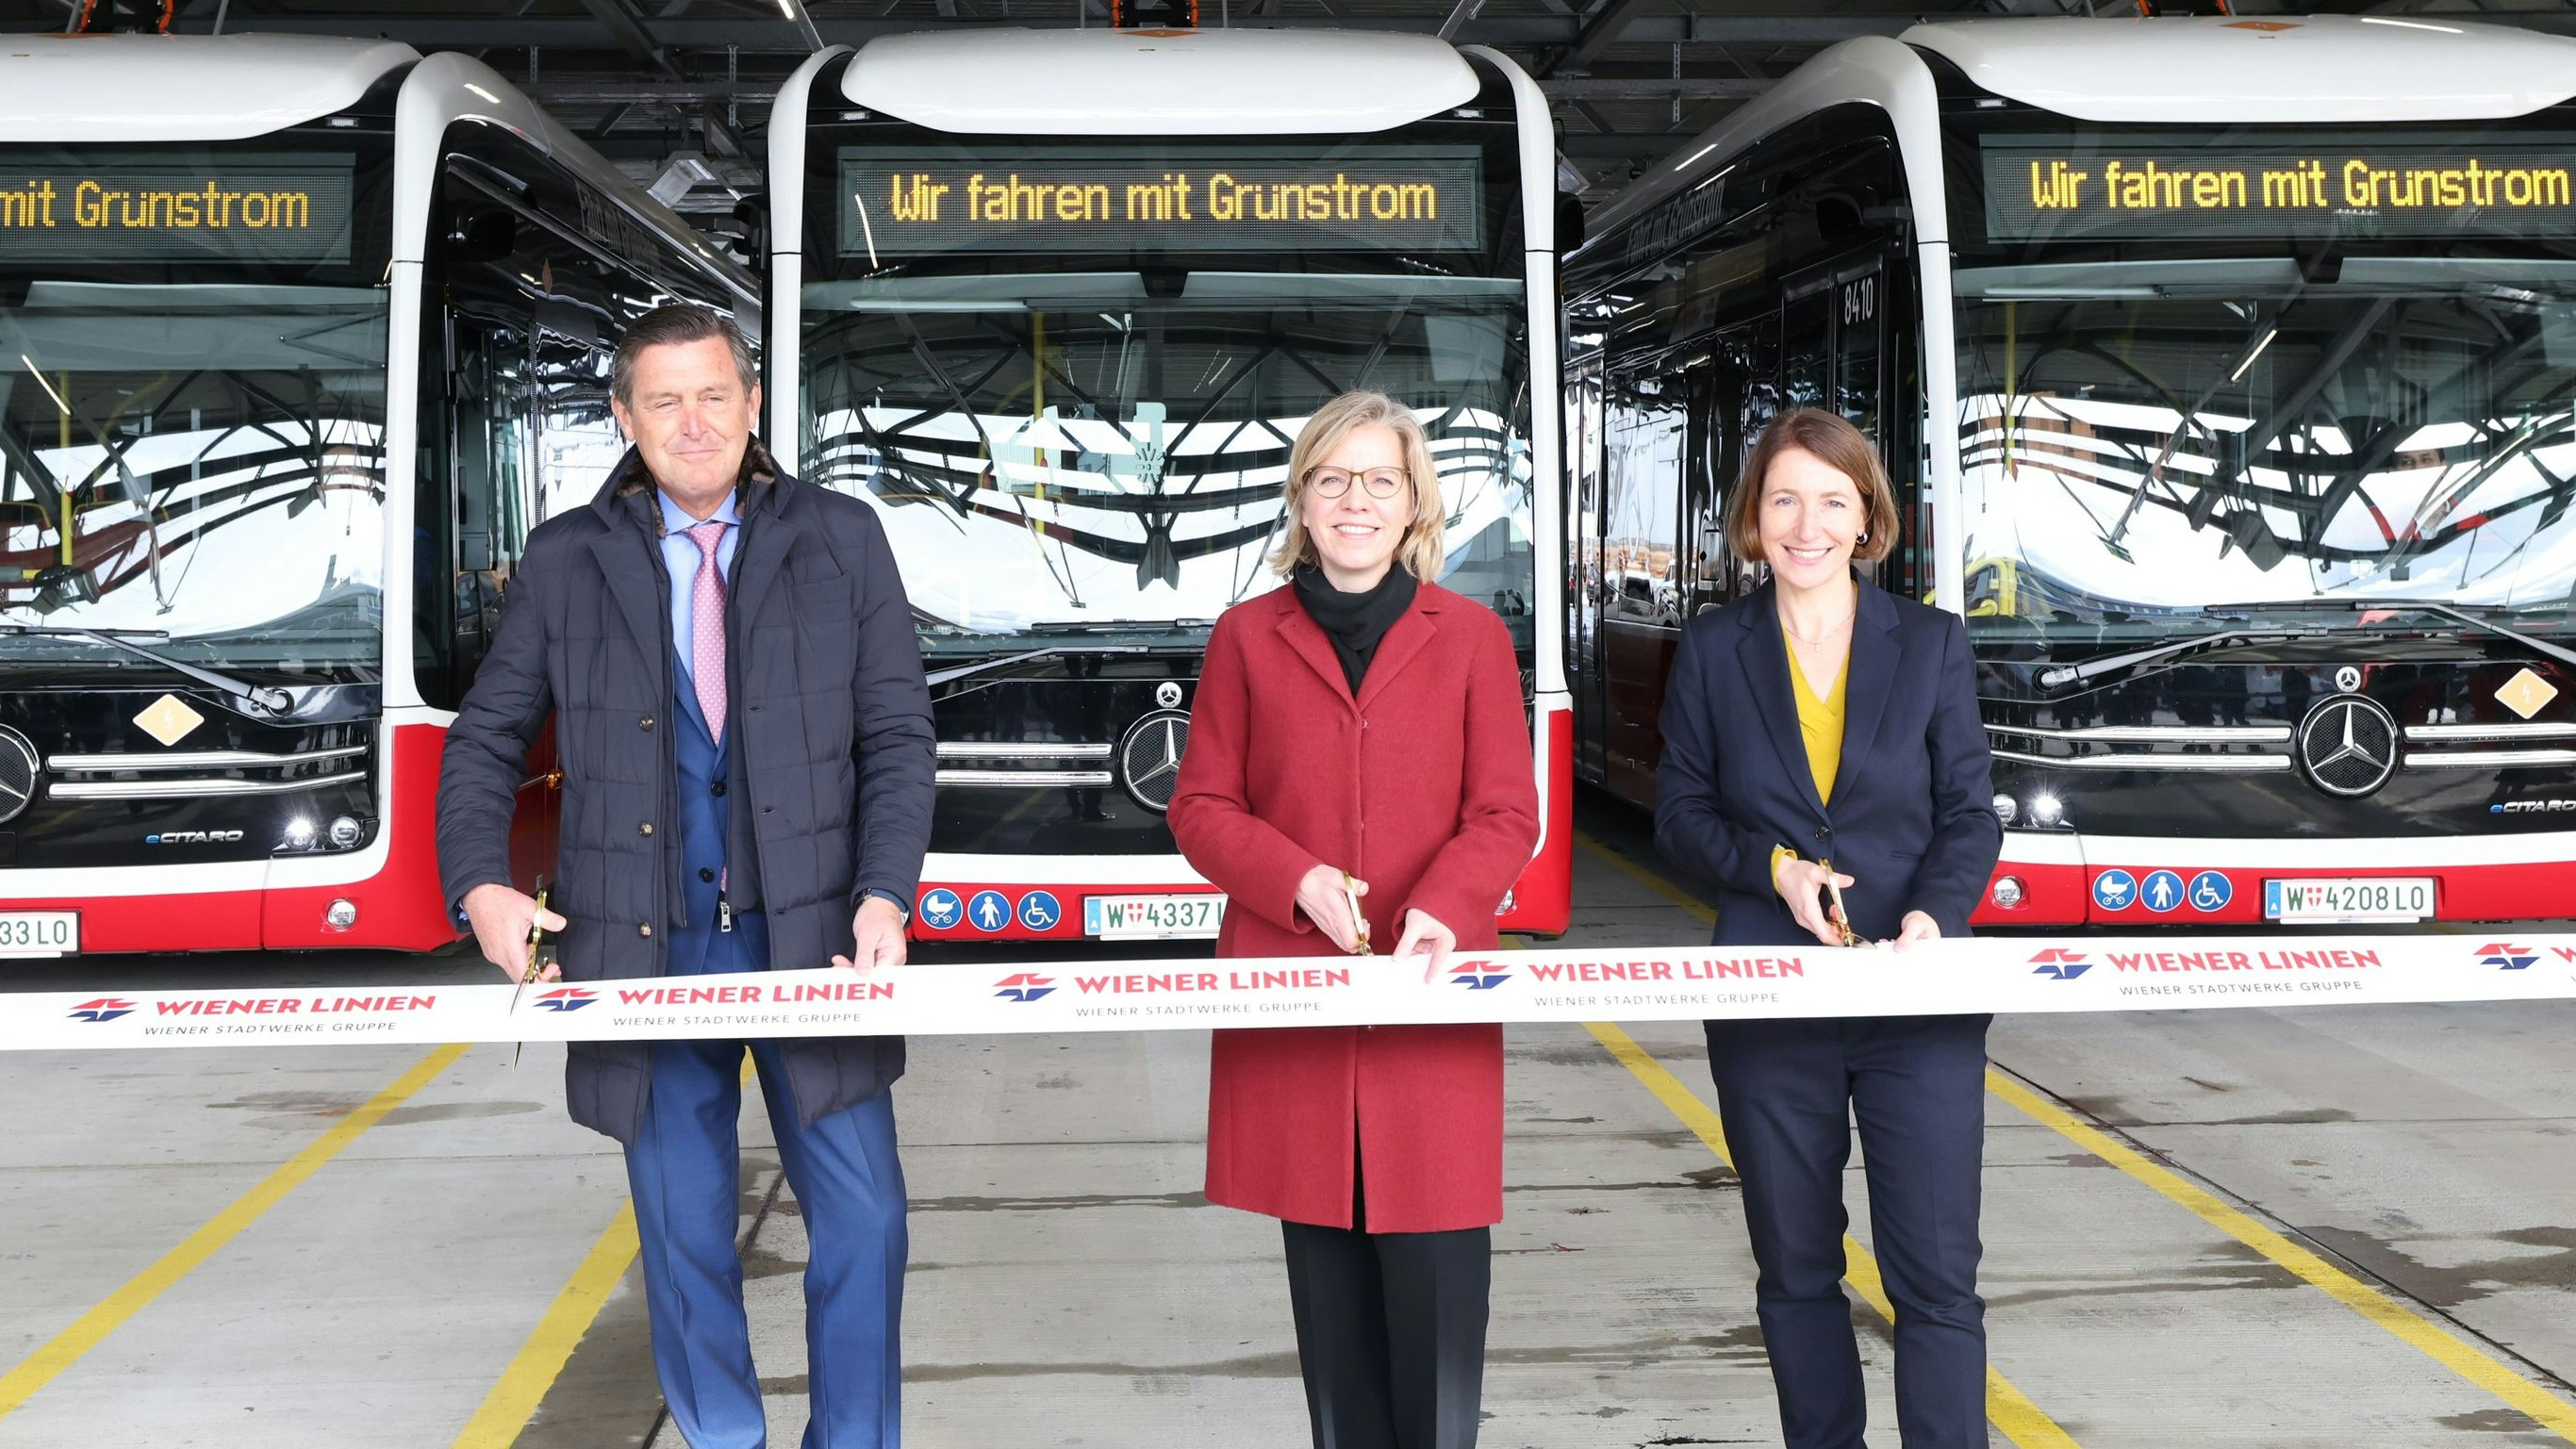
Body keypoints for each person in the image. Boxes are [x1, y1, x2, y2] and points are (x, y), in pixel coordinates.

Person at [437, 305, 934, 1449]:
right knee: (683, 1231)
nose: (691, 421)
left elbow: (898, 736)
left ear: (753, 405)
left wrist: (883, 892)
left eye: (713, 395)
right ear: (623, 416)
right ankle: (725, 1437)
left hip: (814, 938)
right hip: (640, 948)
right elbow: (485, 738)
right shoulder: (567, 558)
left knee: (867, 1222)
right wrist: (481, 885)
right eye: (662, 400)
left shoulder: (842, 535)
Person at [1168, 389, 1539, 1449]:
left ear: (1413, 500)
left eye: (1380, 479)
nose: (1356, 500)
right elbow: (1199, 806)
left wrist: (1442, 906)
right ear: (1302, 499)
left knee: (1437, 1348)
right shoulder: (1245, 637)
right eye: (1332, 479)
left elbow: (1506, 811)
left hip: (1432, 1005)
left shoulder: (1469, 637)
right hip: (1299, 1010)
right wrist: (1294, 880)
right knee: (1335, 1359)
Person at [1653, 408, 2003, 1449]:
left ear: (1867, 519)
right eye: (1784, 500)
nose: (1807, 524)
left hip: (1914, 999)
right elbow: (1679, 811)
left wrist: (1934, 920)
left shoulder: (1930, 641)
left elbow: (1967, 813)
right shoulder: (1714, 647)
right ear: (1754, 520)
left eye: (1831, 501)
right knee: (1796, 1266)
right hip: (1767, 996)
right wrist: (1771, 869)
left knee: (1934, 1274)